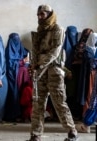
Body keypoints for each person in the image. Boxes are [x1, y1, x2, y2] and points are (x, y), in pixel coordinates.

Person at [28, 5, 78, 141]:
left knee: (59, 101)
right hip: (40, 71)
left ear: (50, 14)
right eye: (38, 14)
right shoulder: (39, 31)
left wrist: (40, 64)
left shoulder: (58, 29)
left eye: (42, 14)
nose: (39, 17)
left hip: (54, 69)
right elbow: (35, 51)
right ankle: (36, 134)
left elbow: (55, 51)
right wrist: (34, 66)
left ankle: (72, 131)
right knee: (38, 102)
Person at [4, 33, 28, 122]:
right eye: (14, 40)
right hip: (12, 77)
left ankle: (23, 114)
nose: (16, 42)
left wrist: (26, 61)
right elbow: (10, 64)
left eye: (17, 39)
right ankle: (13, 115)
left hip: (22, 77)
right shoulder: (8, 51)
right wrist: (22, 61)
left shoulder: (22, 49)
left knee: (23, 93)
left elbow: (26, 56)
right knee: (13, 94)